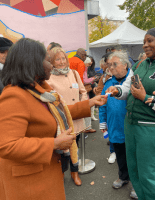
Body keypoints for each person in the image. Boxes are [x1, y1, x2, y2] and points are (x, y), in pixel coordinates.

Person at [0, 38, 107, 200]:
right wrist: (53, 144)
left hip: (42, 176)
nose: (51, 65)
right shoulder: (14, 96)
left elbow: (56, 114)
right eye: (47, 60)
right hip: (29, 185)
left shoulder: (35, 91)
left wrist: (89, 103)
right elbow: (6, 145)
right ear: (32, 63)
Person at [106, 27, 155, 200]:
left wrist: (145, 98)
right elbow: (129, 86)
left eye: (150, 41)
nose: (145, 45)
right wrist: (118, 90)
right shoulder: (141, 64)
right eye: (144, 42)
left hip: (152, 129)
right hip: (131, 125)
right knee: (135, 173)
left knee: (150, 177)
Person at [99, 51, 138, 199]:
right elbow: (102, 104)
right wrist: (103, 122)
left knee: (133, 156)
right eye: (110, 65)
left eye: (115, 64)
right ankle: (123, 177)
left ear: (125, 64)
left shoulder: (135, 81)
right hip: (114, 126)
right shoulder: (108, 83)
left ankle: (136, 183)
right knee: (120, 154)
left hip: (131, 126)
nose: (111, 68)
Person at [47, 47, 88, 186]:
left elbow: (83, 92)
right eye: (57, 59)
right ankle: (61, 174)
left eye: (63, 58)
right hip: (61, 119)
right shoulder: (48, 77)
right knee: (63, 149)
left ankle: (74, 173)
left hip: (76, 117)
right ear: (52, 61)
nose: (61, 62)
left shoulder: (74, 73)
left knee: (75, 146)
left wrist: (81, 105)